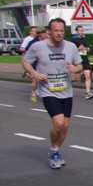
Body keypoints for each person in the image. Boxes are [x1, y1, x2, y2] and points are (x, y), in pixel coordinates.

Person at [21, 18, 82, 169]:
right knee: (58, 123)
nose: (59, 33)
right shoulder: (38, 47)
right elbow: (25, 62)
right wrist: (35, 74)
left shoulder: (71, 46)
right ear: (49, 31)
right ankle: (54, 153)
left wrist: (76, 69)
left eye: (61, 30)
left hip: (66, 91)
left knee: (65, 126)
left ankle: (55, 150)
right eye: (55, 30)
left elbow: (80, 65)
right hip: (48, 91)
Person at [71, 26, 93, 100]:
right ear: (77, 31)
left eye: (82, 30)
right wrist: (78, 49)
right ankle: (67, 85)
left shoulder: (85, 38)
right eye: (80, 31)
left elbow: (87, 46)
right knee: (76, 78)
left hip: (85, 59)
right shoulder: (73, 39)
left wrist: (87, 49)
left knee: (87, 76)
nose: (81, 32)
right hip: (77, 60)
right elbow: (71, 50)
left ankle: (88, 93)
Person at [25, 27, 47, 102]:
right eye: (45, 33)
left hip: (44, 63)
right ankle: (33, 93)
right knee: (35, 79)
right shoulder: (33, 42)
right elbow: (27, 53)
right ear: (40, 34)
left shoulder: (47, 42)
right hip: (35, 63)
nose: (46, 34)